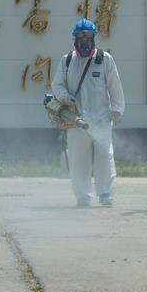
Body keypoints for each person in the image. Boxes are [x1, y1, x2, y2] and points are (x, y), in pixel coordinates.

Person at [52, 18, 125, 207]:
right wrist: (66, 97)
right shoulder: (67, 61)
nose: (84, 42)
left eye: (88, 38)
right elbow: (57, 86)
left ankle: (106, 193)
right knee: (78, 159)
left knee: (105, 156)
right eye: (80, 38)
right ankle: (82, 195)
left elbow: (115, 86)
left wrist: (117, 109)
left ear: (93, 38)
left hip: (101, 118)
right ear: (75, 40)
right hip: (76, 120)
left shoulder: (105, 60)